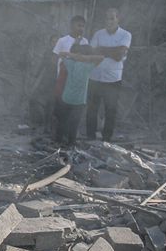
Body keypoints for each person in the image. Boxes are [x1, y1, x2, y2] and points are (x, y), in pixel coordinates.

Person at [85, 8, 132, 142]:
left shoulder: (125, 35)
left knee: (110, 110)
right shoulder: (98, 34)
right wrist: (112, 52)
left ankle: (106, 139)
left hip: (113, 79)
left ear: (118, 19)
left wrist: (102, 50)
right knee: (92, 110)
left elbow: (119, 55)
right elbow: (91, 53)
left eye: (112, 18)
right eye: (107, 18)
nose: (109, 21)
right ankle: (90, 138)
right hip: (95, 77)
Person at [55, 43, 104, 147]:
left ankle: (58, 141)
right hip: (79, 101)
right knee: (74, 124)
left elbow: (61, 54)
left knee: (63, 122)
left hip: (66, 98)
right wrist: (85, 58)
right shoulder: (88, 66)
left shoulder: (70, 63)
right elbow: (101, 58)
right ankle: (70, 144)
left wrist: (74, 56)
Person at [52, 16, 89, 139]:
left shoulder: (85, 42)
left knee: (75, 111)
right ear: (72, 26)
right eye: (79, 25)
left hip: (78, 82)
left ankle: (71, 139)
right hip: (63, 80)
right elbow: (55, 58)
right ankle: (59, 138)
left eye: (83, 26)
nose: (81, 29)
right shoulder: (63, 41)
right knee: (62, 111)